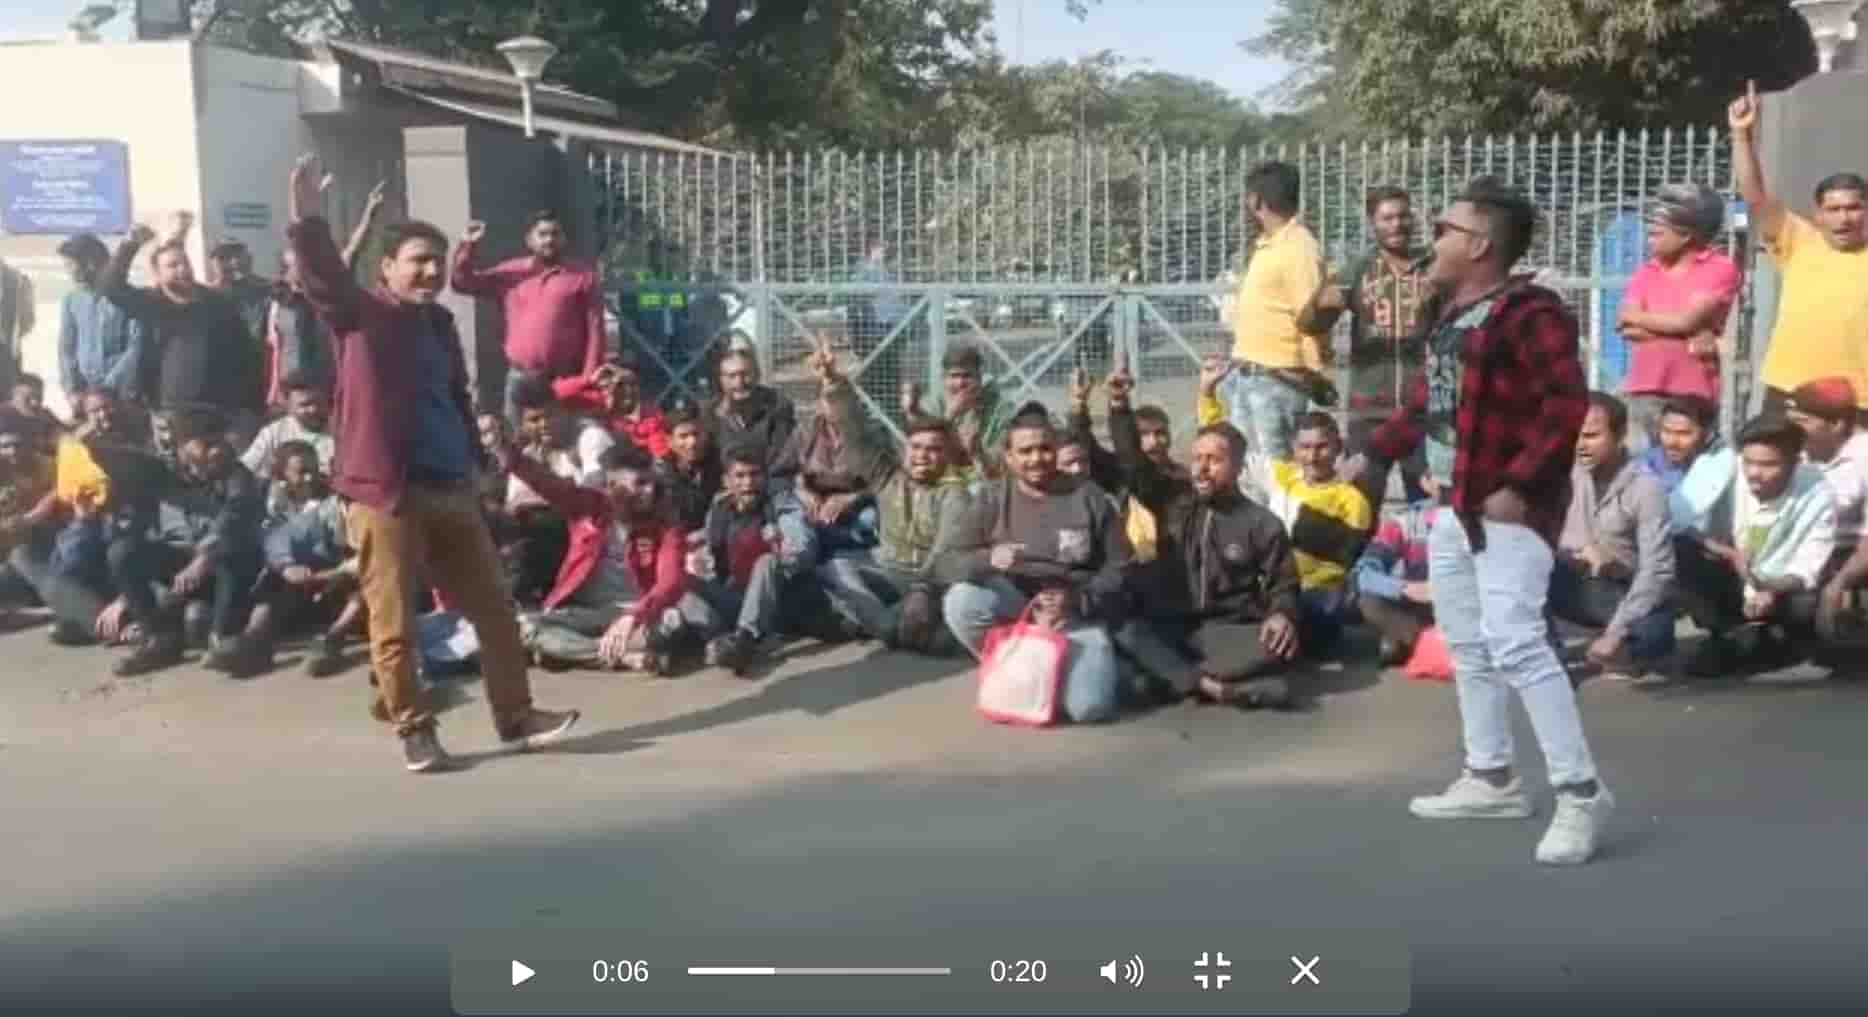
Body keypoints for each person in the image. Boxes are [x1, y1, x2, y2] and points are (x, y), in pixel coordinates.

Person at [286, 152, 579, 773]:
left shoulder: (440, 323)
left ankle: (516, 717)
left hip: (450, 488)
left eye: (437, 262)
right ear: (386, 268)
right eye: (417, 261)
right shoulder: (360, 314)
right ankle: (415, 730)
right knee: (393, 622)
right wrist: (308, 220)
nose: (430, 271)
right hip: (384, 493)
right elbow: (323, 279)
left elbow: (455, 398)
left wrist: (476, 463)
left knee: (495, 608)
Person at [1349, 176, 1610, 866]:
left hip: (1505, 512)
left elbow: (1566, 403)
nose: (1430, 238)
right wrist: (1372, 453)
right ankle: (1491, 775)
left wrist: (1518, 485)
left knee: (1518, 643)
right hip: (1452, 506)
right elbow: (1427, 403)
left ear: (1480, 244)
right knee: (1468, 643)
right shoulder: (1452, 315)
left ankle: (1581, 794)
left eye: (1444, 228)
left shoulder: (1531, 313)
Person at [933, 403, 1130, 724]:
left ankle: (1103, 667)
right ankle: (1018, 666)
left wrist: (1077, 600)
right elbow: (945, 562)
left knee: (1088, 708)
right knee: (961, 601)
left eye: (1044, 448)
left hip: (1074, 612)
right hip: (1019, 608)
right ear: (1009, 457)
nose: (1036, 458)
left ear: (1055, 449)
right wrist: (988, 559)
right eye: (1025, 451)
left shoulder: (1089, 496)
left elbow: (1120, 567)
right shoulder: (991, 498)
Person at [1116, 422, 1303, 707]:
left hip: (1227, 628)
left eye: (1214, 460)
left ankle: (1176, 679)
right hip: (1174, 625)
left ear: (1239, 467)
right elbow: (1132, 464)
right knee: (1126, 630)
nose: (1201, 469)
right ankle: (1218, 688)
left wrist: (1281, 614)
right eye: (1197, 459)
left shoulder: (1262, 523)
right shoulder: (1174, 504)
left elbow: (1284, 583)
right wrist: (1119, 407)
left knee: (1275, 646)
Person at [809, 342, 970, 653]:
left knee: (953, 611)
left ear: (946, 455)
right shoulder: (888, 477)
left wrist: (922, 592)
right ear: (905, 449)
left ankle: (898, 625)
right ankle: (888, 626)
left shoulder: (954, 494)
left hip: (930, 579)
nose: (922, 456)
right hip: (889, 570)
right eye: (916, 447)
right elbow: (855, 431)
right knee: (835, 567)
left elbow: (944, 555)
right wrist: (832, 380)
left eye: (933, 450)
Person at [1729, 81, 1868, 415]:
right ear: (1818, 214)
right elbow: (1755, 197)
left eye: (1853, 208)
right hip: (1790, 389)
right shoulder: (1800, 241)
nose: (1844, 218)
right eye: (1834, 209)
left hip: (1858, 399)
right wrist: (1741, 135)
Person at [504, 441, 695, 675]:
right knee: (524, 626)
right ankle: (619, 657)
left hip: (640, 615)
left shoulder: (667, 527)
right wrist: (505, 451)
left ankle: (570, 651)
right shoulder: (589, 507)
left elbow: (670, 582)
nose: (648, 491)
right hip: (586, 613)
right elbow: (549, 485)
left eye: (650, 483)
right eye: (639, 484)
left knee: (672, 623)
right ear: (613, 486)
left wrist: (633, 616)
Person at [105, 411, 272, 678]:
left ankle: (224, 638)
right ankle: (159, 639)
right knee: (122, 551)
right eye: (207, 444)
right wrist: (122, 599)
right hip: (181, 569)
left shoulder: (237, 476)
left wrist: (204, 558)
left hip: (226, 572)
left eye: (219, 442)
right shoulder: (160, 475)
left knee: (231, 550)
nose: (216, 451)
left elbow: (234, 520)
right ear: (182, 446)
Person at [1303, 185, 1436, 507]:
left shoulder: (1433, 265)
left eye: (1403, 216)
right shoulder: (1359, 269)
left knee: (1427, 506)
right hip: (1370, 410)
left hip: (1423, 409)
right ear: (1372, 223)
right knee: (1361, 502)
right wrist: (1321, 302)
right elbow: (1310, 324)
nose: (1397, 224)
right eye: (1387, 218)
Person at [1673, 414, 1836, 676]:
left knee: (1804, 601)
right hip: (1732, 578)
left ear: (1795, 462)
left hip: (1780, 588)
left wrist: (1771, 590)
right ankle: (1726, 635)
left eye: (1768, 464)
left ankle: (1777, 638)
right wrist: (1728, 553)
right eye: (1748, 462)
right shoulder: (1723, 467)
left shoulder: (1818, 492)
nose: (1754, 473)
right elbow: (1677, 521)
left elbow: (1809, 564)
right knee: (1678, 551)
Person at [104, 214, 264, 443]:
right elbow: (111, 288)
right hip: (172, 413)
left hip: (223, 413)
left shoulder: (219, 304)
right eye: (173, 266)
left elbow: (246, 356)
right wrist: (130, 245)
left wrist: (251, 409)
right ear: (157, 274)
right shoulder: (152, 303)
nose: (182, 270)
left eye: (185, 263)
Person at [1222, 161, 1331, 492]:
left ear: (1256, 201)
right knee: (1248, 480)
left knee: (1277, 482)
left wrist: (1314, 374)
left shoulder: (1299, 246)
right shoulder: (1270, 244)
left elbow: (1312, 316)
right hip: (1248, 376)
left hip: (1278, 382)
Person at [1552, 394, 1677, 674]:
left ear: (1620, 435)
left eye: (1591, 436)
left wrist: (1617, 631)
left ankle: (1620, 649)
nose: (1580, 444)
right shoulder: (1566, 476)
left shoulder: (1646, 488)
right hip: (1580, 586)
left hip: (1628, 593)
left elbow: (1657, 570)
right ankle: (1547, 653)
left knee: (1654, 633)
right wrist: (1579, 549)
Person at [1617, 185, 1742, 449]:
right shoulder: (1646, 272)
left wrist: (1647, 320)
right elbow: (1627, 325)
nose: (1650, 241)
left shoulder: (1718, 268)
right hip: (1645, 388)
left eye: (1658, 234)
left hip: (1693, 390)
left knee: (1693, 463)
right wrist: (1685, 330)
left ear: (1685, 235)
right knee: (1647, 464)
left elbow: (1686, 320)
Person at [451, 210, 606, 424]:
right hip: (521, 378)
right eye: (542, 234)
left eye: (555, 234)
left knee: (564, 439)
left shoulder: (582, 276)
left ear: (564, 239)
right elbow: (463, 283)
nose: (549, 240)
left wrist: (588, 378)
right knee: (516, 439)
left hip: (564, 379)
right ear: (529, 240)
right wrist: (468, 246)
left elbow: (595, 329)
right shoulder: (510, 273)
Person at [691, 444, 816, 677]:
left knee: (766, 561)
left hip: (775, 600)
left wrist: (785, 547)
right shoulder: (719, 507)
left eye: (754, 475)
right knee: (683, 579)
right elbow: (708, 542)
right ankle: (715, 637)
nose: (748, 483)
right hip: (734, 595)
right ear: (727, 481)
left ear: (765, 477)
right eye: (740, 476)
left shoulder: (780, 503)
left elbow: (801, 547)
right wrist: (694, 554)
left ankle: (745, 640)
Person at [265, 180, 385, 409]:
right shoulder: (280, 302)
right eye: (295, 264)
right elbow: (277, 349)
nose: (302, 266)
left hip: (329, 388)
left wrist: (369, 216)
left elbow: (353, 250)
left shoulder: (330, 295)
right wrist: (274, 392)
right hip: (293, 393)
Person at [259, 441, 363, 677]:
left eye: (313, 470)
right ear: (282, 475)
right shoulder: (275, 504)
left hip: (341, 576)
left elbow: (363, 559)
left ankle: (332, 639)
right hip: (307, 579)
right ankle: (255, 637)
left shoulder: (334, 501)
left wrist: (330, 574)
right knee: (270, 573)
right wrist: (287, 566)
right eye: (301, 472)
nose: (309, 478)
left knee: (371, 578)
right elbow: (278, 538)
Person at [1781, 378, 1868, 643]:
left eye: (1803, 422)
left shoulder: (1863, 457)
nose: (1793, 430)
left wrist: (1838, 585)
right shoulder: (1794, 448)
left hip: (1850, 551)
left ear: (1837, 424)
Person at [902, 343, 1016, 484]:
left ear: (979, 378)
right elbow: (922, 451)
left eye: (967, 376)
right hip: (938, 479)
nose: (960, 383)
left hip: (984, 481)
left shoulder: (1000, 409)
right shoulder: (933, 404)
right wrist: (950, 415)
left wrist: (977, 451)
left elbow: (1001, 465)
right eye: (954, 376)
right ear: (944, 379)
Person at [57, 232, 145, 408]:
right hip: (86, 398)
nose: (68, 270)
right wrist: (72, 389)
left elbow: (136, 347)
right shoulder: (72, 300)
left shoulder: (131, 297)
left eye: (70, 264)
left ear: (90, 263)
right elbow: (66, 349)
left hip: (123, 396)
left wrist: (108, 388)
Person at [1352, 490, 1441, 666]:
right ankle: (1423, 641)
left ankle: (1422, 646)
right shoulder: (1406, 520)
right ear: (1426, 481)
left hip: (1470, 605)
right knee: (1370, 600)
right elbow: (1364, 573)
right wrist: (1405, 588)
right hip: (1422, 605)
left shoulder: (1489, 516)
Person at [710, 349, 799, 484]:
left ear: (757, 375)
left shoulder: (778, 405)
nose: (739, 382)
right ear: (721, 380)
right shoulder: (710, 412)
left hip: (768, 483)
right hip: (725, 485)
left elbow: (781, 458)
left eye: (745, 374)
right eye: (732, 376)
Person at [553, 358, 671, 458]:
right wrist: (589, 380)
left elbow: (660, 454)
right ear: (607, 387)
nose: (628, 390)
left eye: (632, 384)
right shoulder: (596, 404)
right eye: (621, 385)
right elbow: (554, 394)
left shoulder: (650, 414)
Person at [241, 382, 334, 478]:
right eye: (305, 405)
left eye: (318, 403)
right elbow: (247, 468)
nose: (313, 409)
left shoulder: (338, 430)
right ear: (289, 406)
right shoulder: (273, 433)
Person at [1637, 394, 1719, 497]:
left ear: (1705, 433)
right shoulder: (1645, 466)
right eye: (1666, 431)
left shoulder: (1716, 468)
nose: (1672, 442)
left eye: (1683, 433)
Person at [206, 239, 274, 347]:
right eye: (221, 258)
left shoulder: (262, 288)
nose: (228, 263)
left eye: (234, 256)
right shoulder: (207, 294)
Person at [0, 254, 36, 397]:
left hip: (8, 357)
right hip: (10, 353)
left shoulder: (20, 280)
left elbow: (27, 321)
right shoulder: (19, 278)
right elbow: (28, 321)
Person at [0, 374, 63, 456]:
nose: (34, 403)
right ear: (14, 395)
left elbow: (66, 435)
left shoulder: (45, 414)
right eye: (28, 397)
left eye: (39, 397)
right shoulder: (3, 415)